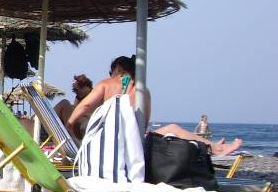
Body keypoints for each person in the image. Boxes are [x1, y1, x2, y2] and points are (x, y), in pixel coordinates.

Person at [67, 55, 242, 156]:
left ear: (118, 69)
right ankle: (213, 147)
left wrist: (69, 125)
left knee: (172, 130)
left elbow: (84, 106)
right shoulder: (143, 90)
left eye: (110, 71)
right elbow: (143, 124)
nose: (110, 74)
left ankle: (213, 146)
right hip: (133, 147)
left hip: (107, 146)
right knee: (173, 128)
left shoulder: (106, 84)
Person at [54, 74, 94, 140]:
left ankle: (73, 137)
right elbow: (75, 109)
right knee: (64, 103)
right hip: (77, 122)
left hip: (88, 123)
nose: (76, 92)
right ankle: (44, 122)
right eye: (74, 91)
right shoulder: (79, 97)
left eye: (77, 90)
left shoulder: (95, 95)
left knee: (66, 105)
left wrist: (82, 113)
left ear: (85, 86)